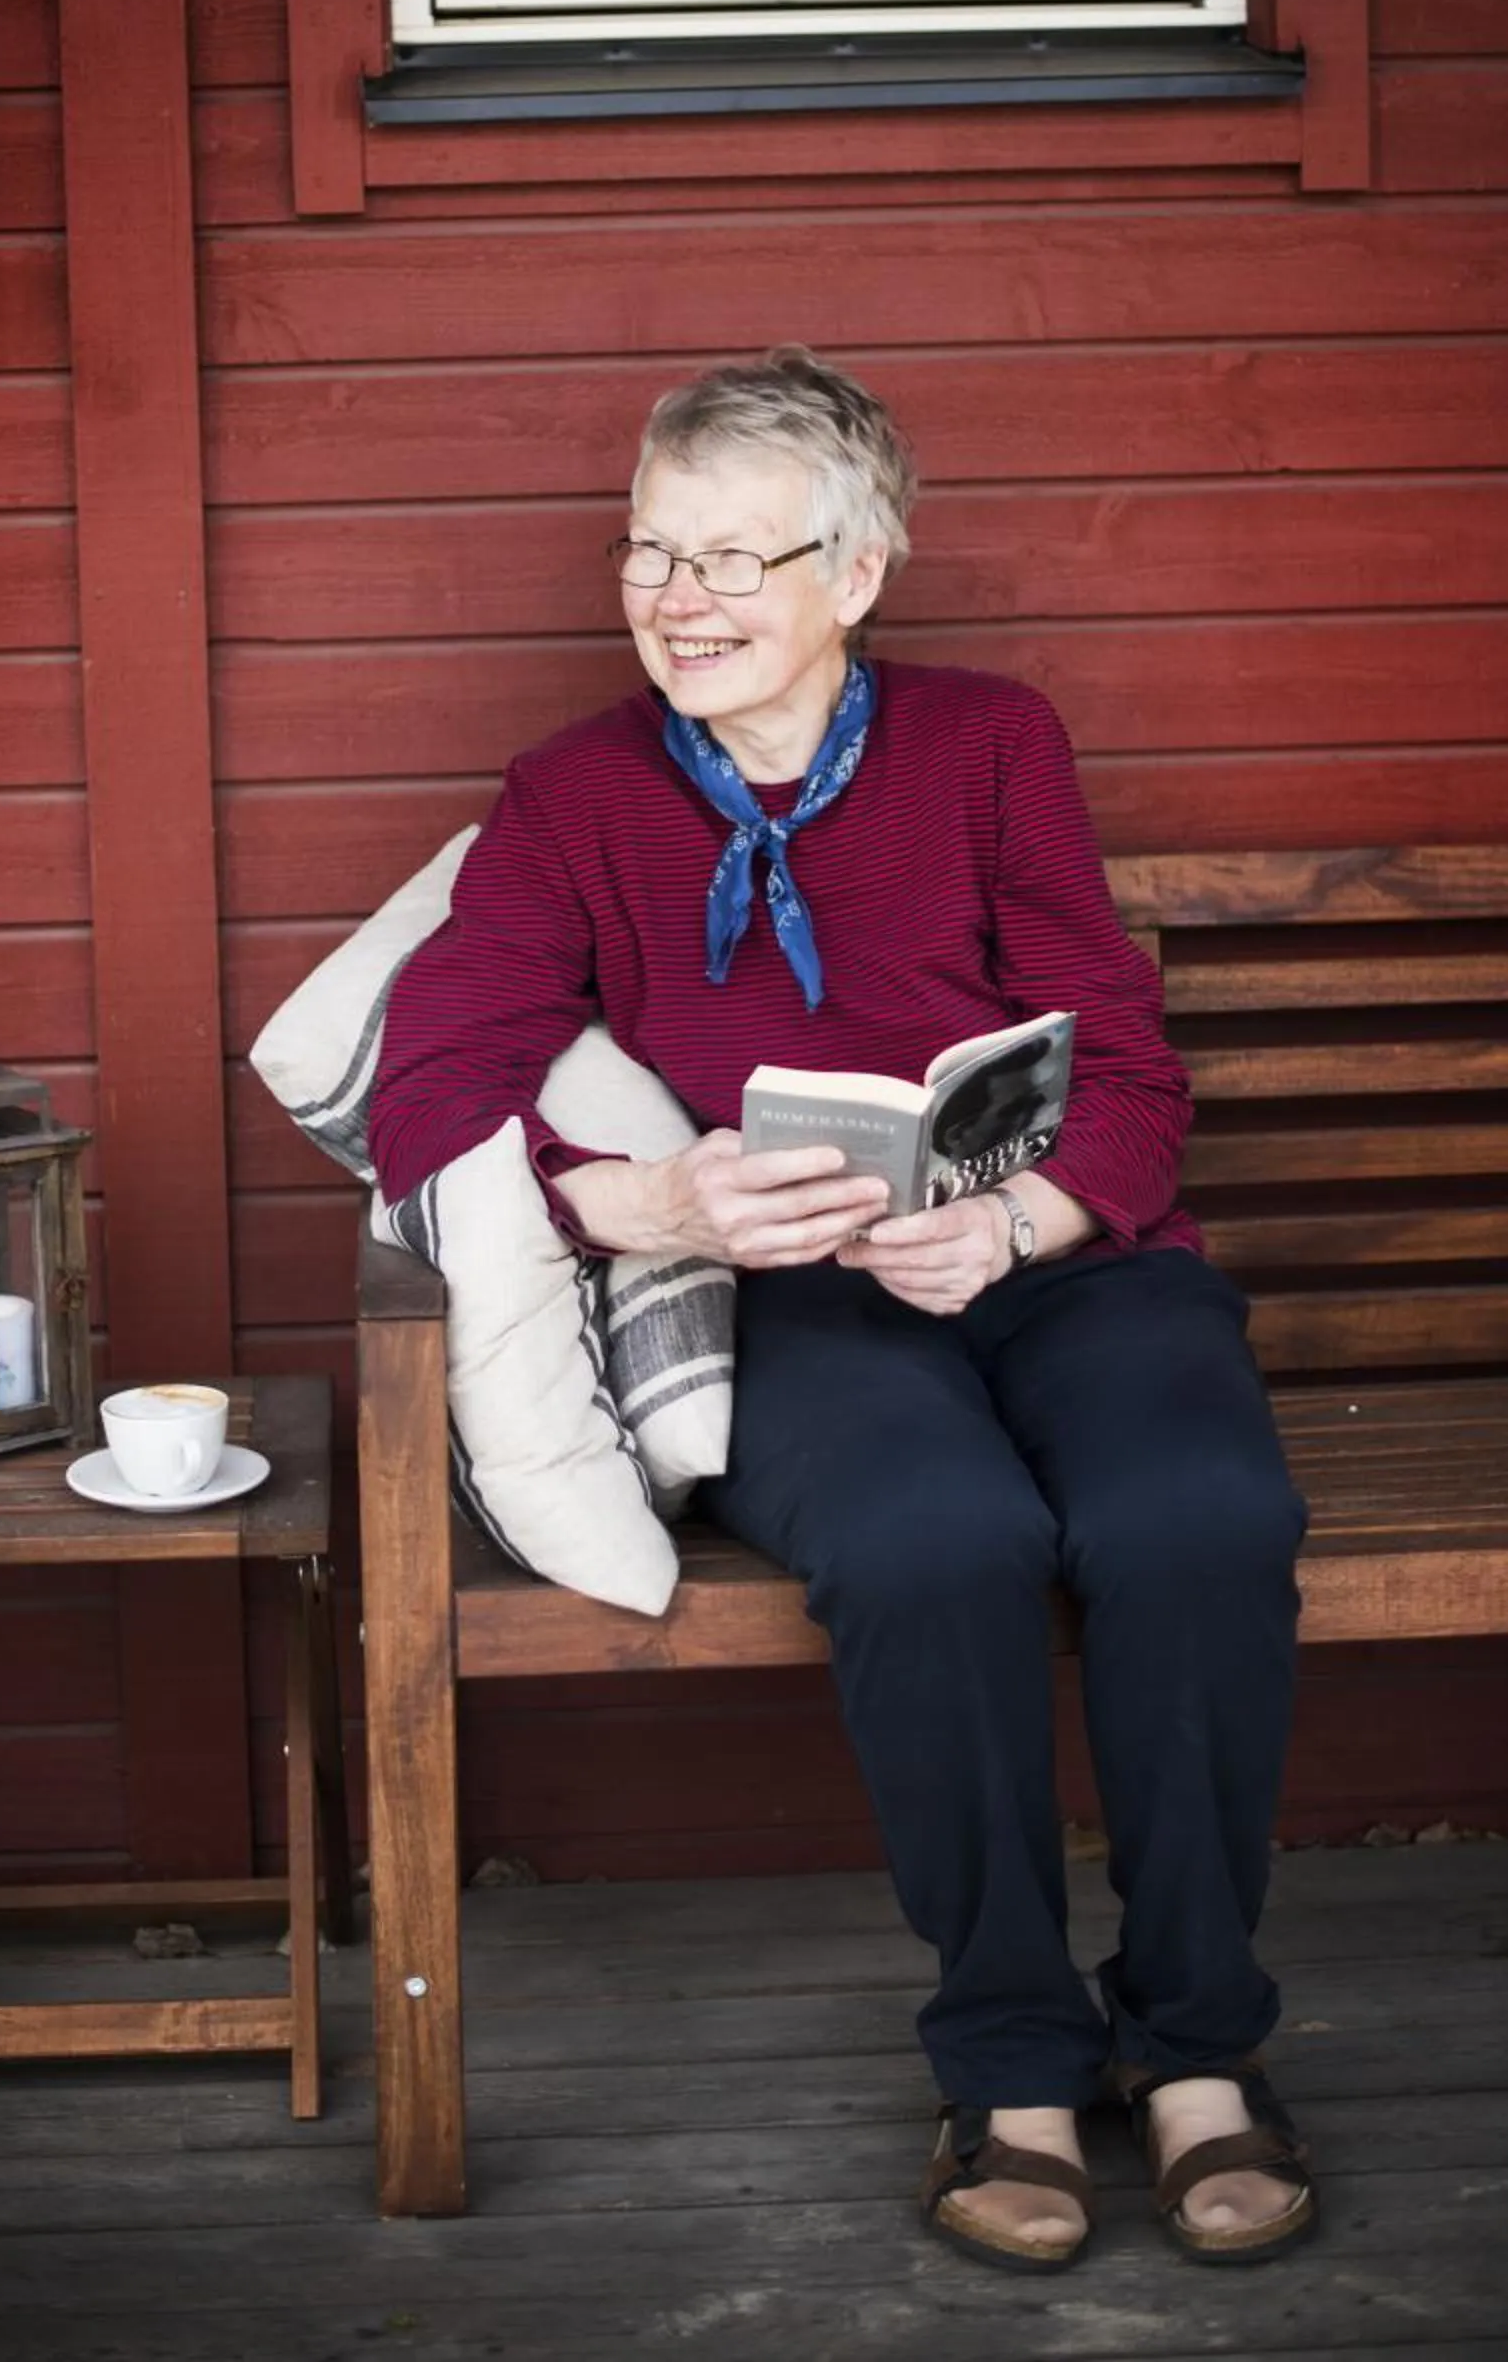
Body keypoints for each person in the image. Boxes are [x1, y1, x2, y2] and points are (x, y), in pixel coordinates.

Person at [369, 347, 1317, 2271]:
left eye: (731, 558)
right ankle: (1011, 2062)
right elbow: (427, 1090)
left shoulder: (989, 745)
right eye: (648, 552)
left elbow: (1127, 1069)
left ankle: (1199, 2046)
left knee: (1199, 1515)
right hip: (797, 1309)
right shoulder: (569, 798)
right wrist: (655, 1197)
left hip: (1054, 1271)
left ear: (857, 575)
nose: (678, 601)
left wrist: (1025, 1217)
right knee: (931, 1539)